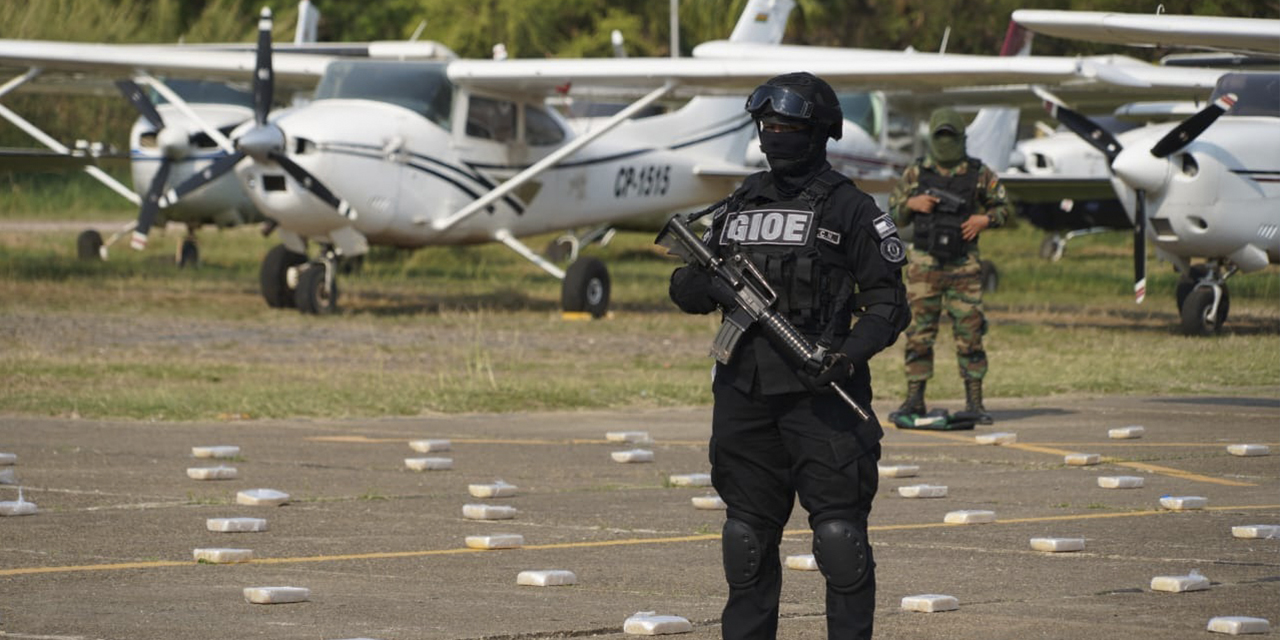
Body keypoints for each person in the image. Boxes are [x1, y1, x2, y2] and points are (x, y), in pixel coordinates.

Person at [667, 72, 909, 640]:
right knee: (745, 540)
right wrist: (710, 289)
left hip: (821, 397)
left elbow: (888, 305)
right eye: (767, 125)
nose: (775, 135)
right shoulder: (739, 202)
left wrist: (845, 357)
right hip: (743, 397)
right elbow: (684, 286)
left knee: (839, 542)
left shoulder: (853, 209)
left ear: (821, 132)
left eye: (789, 126)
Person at [888, 107, 1011, 425]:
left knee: (970, 335)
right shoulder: (916, 173)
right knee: (918, 335)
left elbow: (1004, 208)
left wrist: (985, 219)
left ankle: (975, 402)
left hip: (963, 266)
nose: (945, 142)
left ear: (960, 137)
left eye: (950, 136)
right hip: (923, 266)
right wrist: (910, 204)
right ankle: (914, 400)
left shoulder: (979, 173)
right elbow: (894, 213)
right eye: (940, 136)